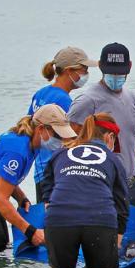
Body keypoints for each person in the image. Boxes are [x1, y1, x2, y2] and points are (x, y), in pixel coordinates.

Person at [0, 105, 76, 252]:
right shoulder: (18, 152)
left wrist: (21, 198)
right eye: (57, 136)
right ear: (41, 129)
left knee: (2, 245)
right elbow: (0, 200)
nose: (61, 141)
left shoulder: (31, 143)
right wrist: (31, 231)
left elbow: (4, 177)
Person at [67, 42, 135, 208]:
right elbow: (69, 144)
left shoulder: (132, 99)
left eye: (121, 73)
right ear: (101, 67)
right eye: (111, 73)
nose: (116, 77)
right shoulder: (87, 101)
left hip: (132, 186)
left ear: (130, 67)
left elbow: (130, 140)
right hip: (103, 185)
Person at [41, 113, 129, 268]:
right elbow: (122, 203)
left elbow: (46, 193)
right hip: (99, 219)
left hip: (60, 218)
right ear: (110, 137)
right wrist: (117, 239)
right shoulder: (113, 160)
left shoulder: (60, 153)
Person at [28, 46, 98, 203]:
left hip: (40, 172)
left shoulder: (40, 94)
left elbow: (28, 127)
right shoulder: (64, 101)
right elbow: (73, 139)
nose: (86, 74)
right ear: (69, 71)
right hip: (57, 174)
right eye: (83, 69)